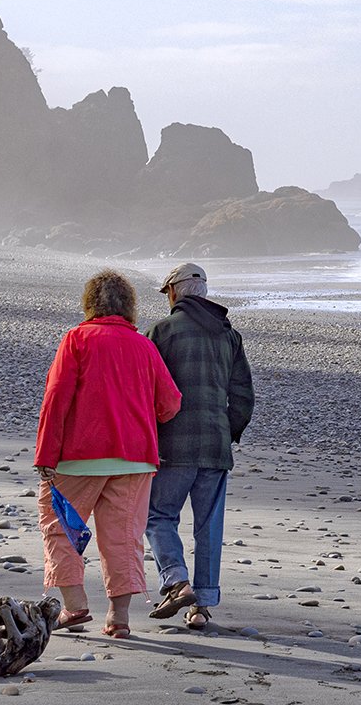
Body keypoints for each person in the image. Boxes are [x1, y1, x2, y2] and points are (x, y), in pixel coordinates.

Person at [34, 269, 182, 639]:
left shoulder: (77, 339)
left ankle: (74, 605)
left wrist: (45, 454)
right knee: (123, 537)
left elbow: (56, 398)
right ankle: (119, 618)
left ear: (90, 304)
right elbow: (170, 404)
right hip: (135, 458)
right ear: (129, 306)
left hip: (79, 457)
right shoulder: (145, 346)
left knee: (61, 529)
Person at [144, 261, 254, 631]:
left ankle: (176, 580)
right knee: (208, 527)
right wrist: (227, 432)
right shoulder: (229, 335)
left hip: (172, 444)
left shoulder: (161, 331)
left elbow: (147, 391)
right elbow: (242, 396)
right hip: (216, 447)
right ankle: (202, 606)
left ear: (174, 291)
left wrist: (149, 435)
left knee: (158, 516)